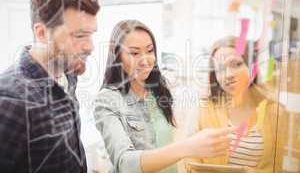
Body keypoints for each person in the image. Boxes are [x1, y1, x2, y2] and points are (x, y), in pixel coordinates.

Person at [93, 20, 233, 173]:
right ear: (117, 56)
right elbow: (125, 163)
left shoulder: (160, 89)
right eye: (134, 53)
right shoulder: (107, 100)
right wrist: (188, 147)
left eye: (150, 50)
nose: (145, 60)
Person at [0, 0, 99, 173]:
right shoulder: (10, 101)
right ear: (42, 32)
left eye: (91, 34)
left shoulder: (68, 73)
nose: (90, 46)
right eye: (79, 36)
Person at [184, 36, 288, 173]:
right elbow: (190, 161)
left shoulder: (274, 111)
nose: (228, 75)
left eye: (236, 64)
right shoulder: (203, 108)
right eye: (220, 69)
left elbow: (277, 166)